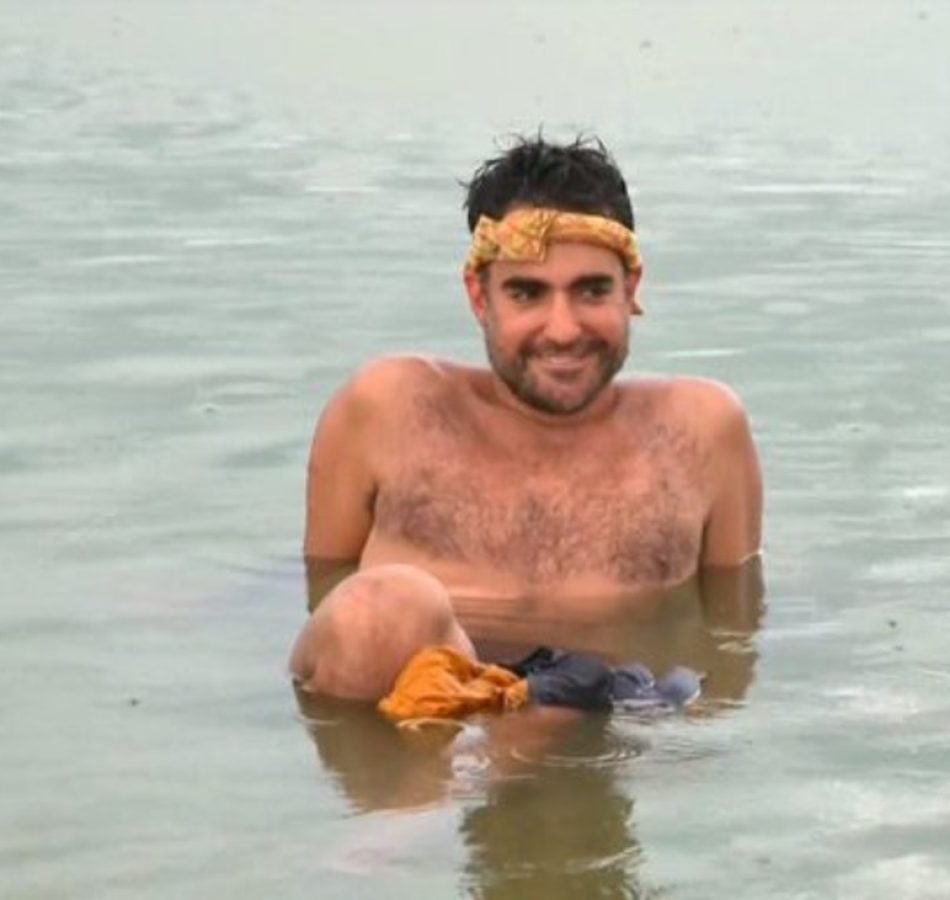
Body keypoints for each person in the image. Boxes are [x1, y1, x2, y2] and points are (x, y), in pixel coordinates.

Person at [290, 135, 762, 701]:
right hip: (422, 720)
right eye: (527, 293)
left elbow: (734, 632)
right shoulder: (385, 408)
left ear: (630, 289)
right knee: (383, 611)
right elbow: (323, 595)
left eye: (591, 291)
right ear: (479, 297)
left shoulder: (703, 431)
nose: (562, 330)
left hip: (609, 709)